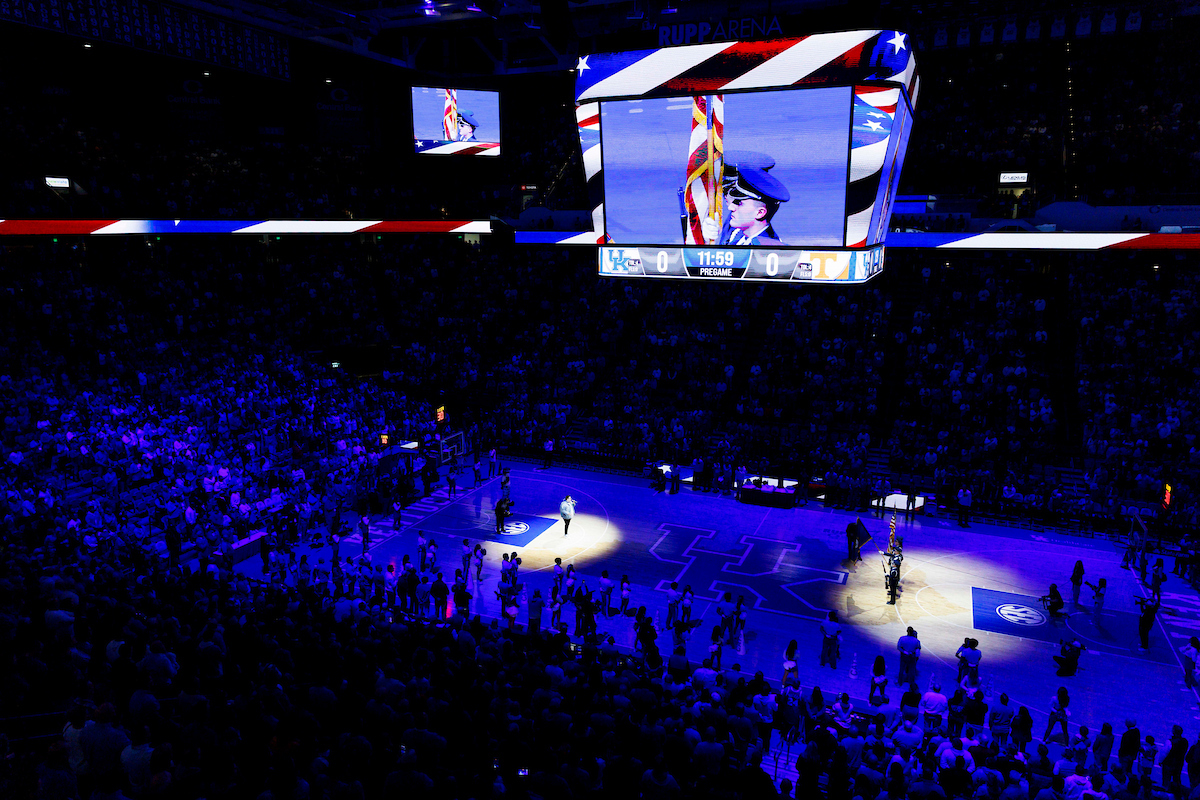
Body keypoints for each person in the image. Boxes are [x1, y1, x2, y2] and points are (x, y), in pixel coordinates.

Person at [700, 168, 790, 246]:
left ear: (760, 213)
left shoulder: (767, 249)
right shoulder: (739, 234)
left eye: (739, 203)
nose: (731, 207)